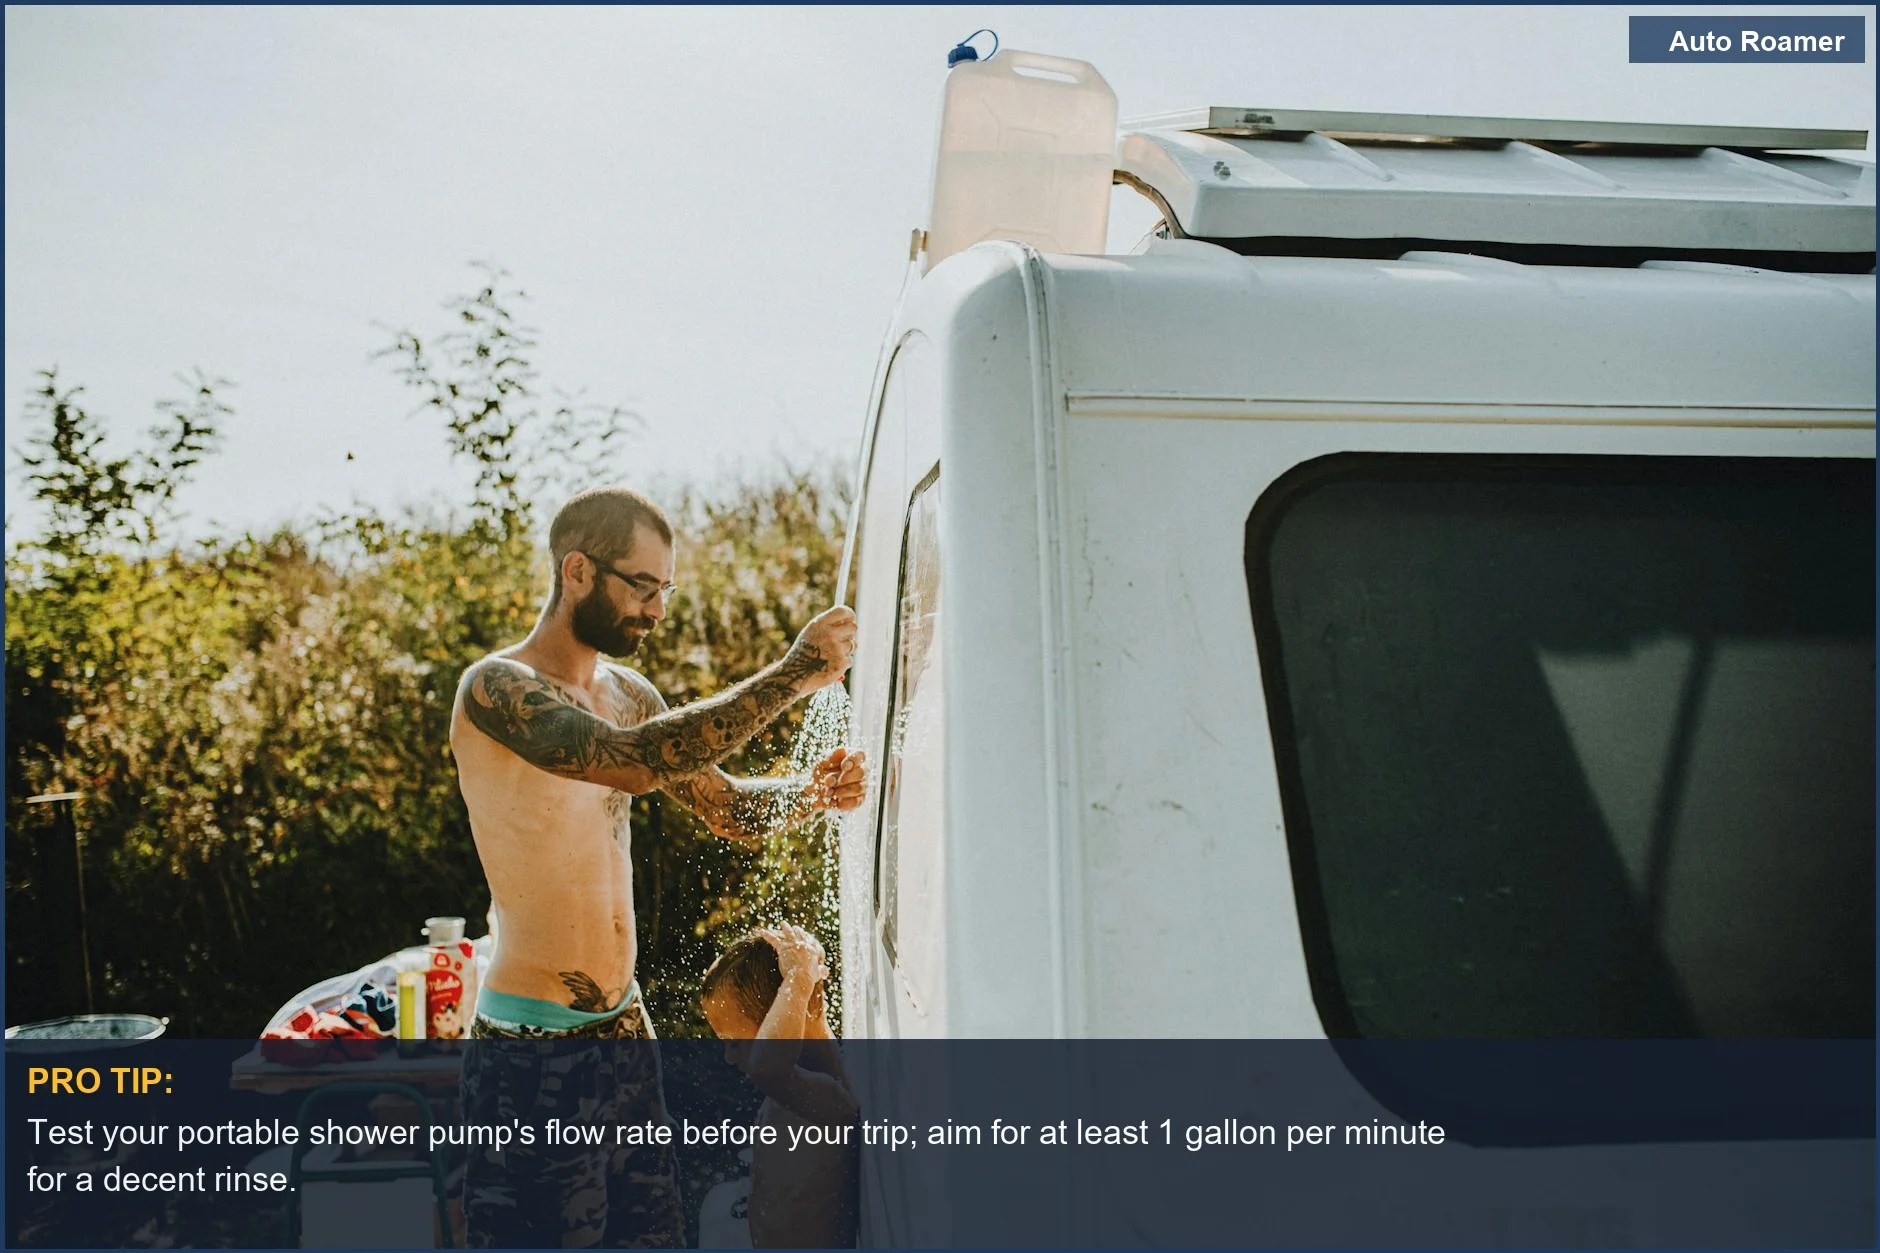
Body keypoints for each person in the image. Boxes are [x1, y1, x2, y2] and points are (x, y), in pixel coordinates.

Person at [450, 485, 868, 1249]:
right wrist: (791, 673)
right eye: (644, 587)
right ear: (577, 570)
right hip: (534, 1051)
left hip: (626, 1031)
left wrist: (811, 793)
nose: (658, 610)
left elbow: (730, 811)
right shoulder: (495, 689)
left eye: (666, 589)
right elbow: (636, 765)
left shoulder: (628, 694)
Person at [701, 924, 860, 1250]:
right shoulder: (805, 1077)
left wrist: (799, 980)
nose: (727, 1057)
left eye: (733, 1042)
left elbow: (766, 1067)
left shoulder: (827, 1100)